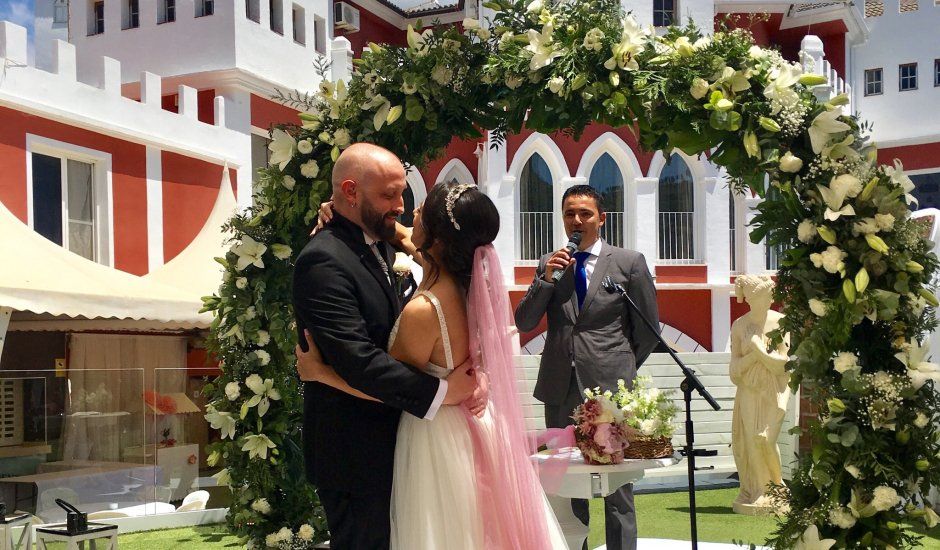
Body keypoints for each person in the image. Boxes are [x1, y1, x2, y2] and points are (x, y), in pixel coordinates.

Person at [297, 180, 568, 549]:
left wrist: (320, 374)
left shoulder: (426, 310)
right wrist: (340, 208)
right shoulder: (465, 283)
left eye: (421, 209)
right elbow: (405, 236)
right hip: (471, 427)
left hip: (435, 434)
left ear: (438, 236)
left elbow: (385, 387)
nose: (412, 213)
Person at [291, 144, 482, 549]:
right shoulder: (323, 261)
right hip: (356, 457)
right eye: (388, 195)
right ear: (350, 191)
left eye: (402, 193)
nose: (400, 205)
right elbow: (360, 361)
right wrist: (444, 392)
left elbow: (416, 241)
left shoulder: (378, 237)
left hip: (402, 446)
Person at [514, 184, 660, 550]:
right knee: (568, 486)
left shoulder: (628, 263)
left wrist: (618, 368)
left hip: (611, 391)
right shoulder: (551, 263)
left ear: (601, 218)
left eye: (585, 214)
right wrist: (546, 279)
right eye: (569, 214)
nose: (576, 220)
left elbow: (647, 332)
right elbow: (525, 320)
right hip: (560, 388)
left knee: (617, 489)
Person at [728, 274, 790, 514]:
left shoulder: (781, 322)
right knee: (753, 440)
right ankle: (761, 491)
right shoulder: (740, 326)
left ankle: (778, 486)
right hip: (749, 390)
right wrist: (754, 354)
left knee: (767, 439)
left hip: (775, 388)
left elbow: (782, 365)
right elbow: (734, 372)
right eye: (759, 298)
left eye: (767, 297)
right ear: (751, 299)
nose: (765, 302)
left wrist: (756, 348)